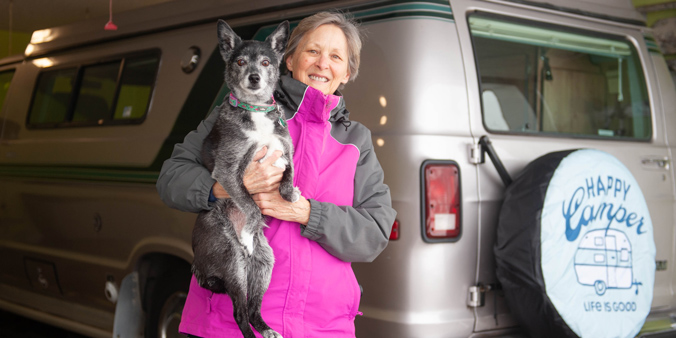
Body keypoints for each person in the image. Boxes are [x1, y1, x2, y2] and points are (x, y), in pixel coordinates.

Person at [156, 11, 396, 337]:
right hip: (229, 325)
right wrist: (229, 187)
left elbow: (375, 231)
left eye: (336, 56)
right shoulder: (239, 110)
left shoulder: (357, 142)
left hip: (322, 327)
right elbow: (172, 177)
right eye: (312, 51)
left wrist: (306, 212)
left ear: (348, 72)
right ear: (290, 58)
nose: (323, 63)